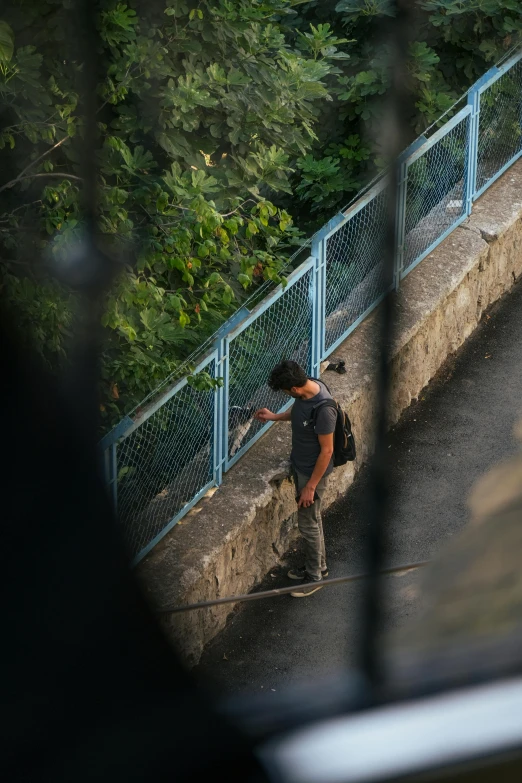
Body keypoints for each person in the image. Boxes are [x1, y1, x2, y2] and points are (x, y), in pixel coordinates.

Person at [255, 360, 336, 597]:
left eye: (285, 392)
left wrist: (310, 486)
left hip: (312, 474)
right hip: (303, 468)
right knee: (313, 519)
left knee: (308, 524)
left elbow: (327, 451)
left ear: (294, 389)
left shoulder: (324, 410)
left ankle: (314, 577)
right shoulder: (308, 389)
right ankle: (318, 566)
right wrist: (275, 416)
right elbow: (299, 413)